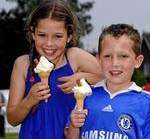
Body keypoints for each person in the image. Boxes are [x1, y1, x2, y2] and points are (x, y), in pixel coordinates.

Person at [6, 0, 102, 139]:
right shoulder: (22, 64)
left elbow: (109, 77)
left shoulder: (75, 57)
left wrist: (81, 78)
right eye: (42, 35)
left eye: (57, 36)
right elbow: (12, 119)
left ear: (68, 36)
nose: (49, 44)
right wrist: (29, 101)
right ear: (33, 33)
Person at [67, 24, 150, 139]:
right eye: (107, 56)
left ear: (138, 61)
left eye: (123, 56)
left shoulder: (146, 102)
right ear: (99, 60)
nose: (114, 63)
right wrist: (73, 125)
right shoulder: (86, 95)